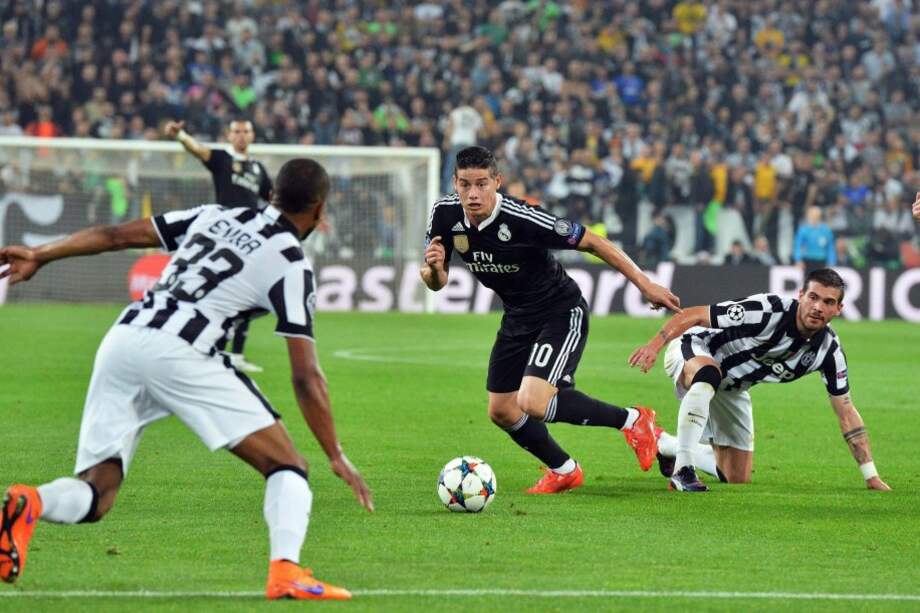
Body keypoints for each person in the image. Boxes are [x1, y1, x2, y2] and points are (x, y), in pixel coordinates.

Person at [0, 159, 373, 599]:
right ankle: (285, 572)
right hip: (181, 351)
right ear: (319, 209)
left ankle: (31, 502)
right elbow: (306, 376)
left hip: (124, 337)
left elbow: (116, 236)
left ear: (272, 194)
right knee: (288, 465)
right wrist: (335, 453)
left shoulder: (216, 215)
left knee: (97, 492)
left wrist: (41, 255)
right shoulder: (292, 262)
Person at [422, 146, 682, 494]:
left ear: (497, 182)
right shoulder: (443, 213)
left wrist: (645, 283)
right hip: (517, 317)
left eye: (482, 183)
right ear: (454, 182)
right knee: (501, 410)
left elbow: (593, 242)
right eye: (465, 184)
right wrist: (434, 271)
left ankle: (635, 420)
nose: (473, 193)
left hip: (560, 310)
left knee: (534, 401)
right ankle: (564, 469)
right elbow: (436, 283)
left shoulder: (523, 219)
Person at [628, 268, 890, 493]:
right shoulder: (767, 310)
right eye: (813, 297)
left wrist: (871, 475)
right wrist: (654, 346)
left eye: (829, 302)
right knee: (708, 374)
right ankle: (683, 471)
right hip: (698, 348)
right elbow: (694, 314)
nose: (818, 307)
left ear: (839, 309)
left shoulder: (828, 352)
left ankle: (665, 443)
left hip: (733, 387)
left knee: (736, 477)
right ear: (801, 295)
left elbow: (845, 411)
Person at [164, 118, 272, 372]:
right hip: (223, 236)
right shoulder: (222, 159)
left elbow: (272, 198)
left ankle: (235, 355)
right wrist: (181, 136)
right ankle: (204, 346)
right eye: (237, 132)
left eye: (246, 131)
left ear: (252, 135)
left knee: (248, 294)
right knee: (218, 293)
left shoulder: (258, 169)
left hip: (249, 238)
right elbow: (199, 150)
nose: (242, 136)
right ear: (229, 136)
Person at [793, 206, 836, 271]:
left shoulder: (826, 230)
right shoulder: (803, 230)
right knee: (809, 280)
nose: (814, 217)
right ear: (808, 216)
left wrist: (831, 261)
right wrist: (798, 259)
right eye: (812, 215)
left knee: (821, 280)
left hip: (822, 260)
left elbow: (830, 247)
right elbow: (797, 245)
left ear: (820, 216)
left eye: (816, 215)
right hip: (808, 260)